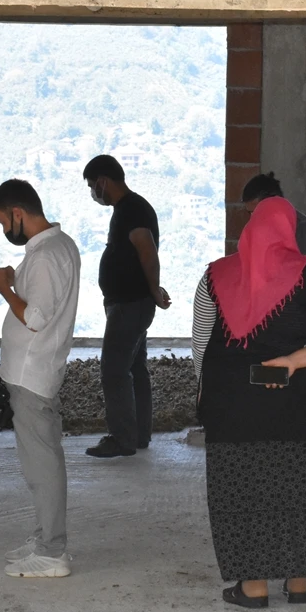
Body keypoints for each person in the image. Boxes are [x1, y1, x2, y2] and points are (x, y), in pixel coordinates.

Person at [191, 197, 306, 608]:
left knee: (243, 493)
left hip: (236, 408)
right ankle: (299, 583)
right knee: (303, 489)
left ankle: (254, 587)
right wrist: (294, 361)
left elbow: (200, 345)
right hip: (305, 407)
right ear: (290, 231)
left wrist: (208, 391)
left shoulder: (214, 276)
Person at [0, 179, 81, 578]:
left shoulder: (45, 256)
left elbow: (36, 317)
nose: (5, 230)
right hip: (34, 369)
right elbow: (43, 301)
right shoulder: (57, 246)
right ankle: (44, 540)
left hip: (32, 371)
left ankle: (53, 551)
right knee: (39, 460)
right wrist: (13, 280)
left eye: (4, 221)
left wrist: (5, 288)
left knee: (42, 463)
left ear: (18, 213)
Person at [82, 155, 171, 459]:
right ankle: (139, 434)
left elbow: (147, 251)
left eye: (94, 186)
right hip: (132, 303)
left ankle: (122, 438)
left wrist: (154, 290)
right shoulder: (130, 208)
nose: (95, 192)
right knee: (134, 368)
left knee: (113, 371)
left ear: (105, 181)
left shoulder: (131, 209)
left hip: (130, 305)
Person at [241, 172, 306, 261]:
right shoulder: (256, 231)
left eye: (257, 212)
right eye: (250, 213)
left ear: (275, 202)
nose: (253, 218)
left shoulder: (304, 228)